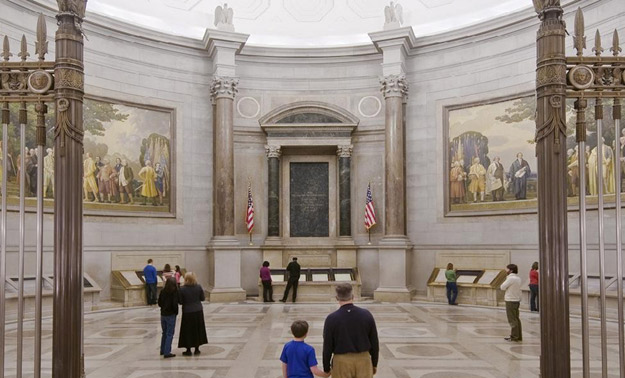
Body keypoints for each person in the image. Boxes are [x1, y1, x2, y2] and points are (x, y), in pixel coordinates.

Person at [323, 283, 379, 378]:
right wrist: (374, 363)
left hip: (341, 361)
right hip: (363, 360)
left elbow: (327, 345)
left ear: (337, 298)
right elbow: (374, 342)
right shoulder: (366, 314)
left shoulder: (331, 318)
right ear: (352, 296)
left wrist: (326, 368)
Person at [178, 272, 208, 356]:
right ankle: (197, 348)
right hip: (198, 310)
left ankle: (188, 349)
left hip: (187, 311)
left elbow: (180, 301)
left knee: (187, 330)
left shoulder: (182, 289)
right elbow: (202, 298)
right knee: (197, 329)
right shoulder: (198, 287)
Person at [158, 277, 178, 358]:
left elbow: (159, 302)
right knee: (170, 333)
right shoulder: (174, 292)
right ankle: (167, 352)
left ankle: (162, 349)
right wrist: (176, 312)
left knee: (164, 332)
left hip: (163, 314)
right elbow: (174, 304)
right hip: (171, 314)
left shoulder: (163, 291)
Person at [501, 263, 522, 342]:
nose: (505, 270)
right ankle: (518, 335)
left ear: (511, 270)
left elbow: (502, 287)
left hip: (510, 300)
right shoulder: (518, 278)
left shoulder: (510, 278)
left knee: (512, 319)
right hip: (516, 299)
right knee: (516, 318)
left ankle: (514, 336)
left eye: (507, 269)